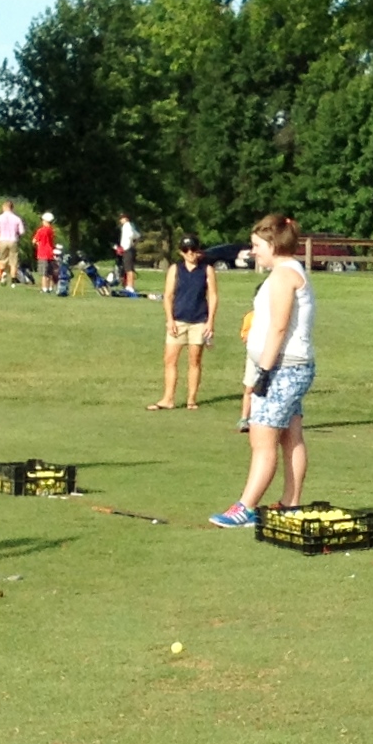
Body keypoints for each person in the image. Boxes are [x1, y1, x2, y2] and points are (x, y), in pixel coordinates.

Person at [211, 214, 314, 527]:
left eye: (257, 245)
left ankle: (246, 508)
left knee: (262, 438)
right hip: (287, 367)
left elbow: (279, 326)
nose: (253, 251)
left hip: (284, 369)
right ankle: (290, 504)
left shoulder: (284, 275)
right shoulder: (285, 272)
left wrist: (264, 372)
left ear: (273, 244)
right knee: (290, 437)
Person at [151, 235, 219, 409]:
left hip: (199, 320)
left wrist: (210, 321)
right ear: (181, 252)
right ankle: (168, 399)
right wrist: (169, 320)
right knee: (170, 359)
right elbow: (168, 296)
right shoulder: (175, 269)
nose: (191, 253)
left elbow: (212, 296)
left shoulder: (207, 270)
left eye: (194, 250)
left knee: (194, 360)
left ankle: (191, 399)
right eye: (187, 250)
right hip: (178, 320)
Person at [0, 199, 25, 285]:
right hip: (13, 240)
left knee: (2, 259)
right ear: (12, 208)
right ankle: (13, 280)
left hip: (2, 240)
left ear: (4, 207)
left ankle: (3, 273)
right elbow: (21, 232)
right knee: (13, 261)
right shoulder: (17, 219)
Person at [34, 211, 59, 292]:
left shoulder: (40, 231)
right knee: (50, 273)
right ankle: (50, 288)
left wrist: (38, 243)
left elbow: (34, 241)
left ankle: (44, 288)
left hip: (42, 254)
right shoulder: (52, 230)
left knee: (44, 273)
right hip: (51, 253)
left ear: (44, 221)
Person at [116, 213, 140, 291]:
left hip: (127, 249)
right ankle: (128, 285)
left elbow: (132, 235)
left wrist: (129, 244)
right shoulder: (130, 226)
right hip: (128, 249)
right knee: (128, 268)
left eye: (121, 218)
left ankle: (130, 286)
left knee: (129, 269)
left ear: (125, 218)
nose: (120, 220)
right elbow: (138, 235)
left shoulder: (127, 226)